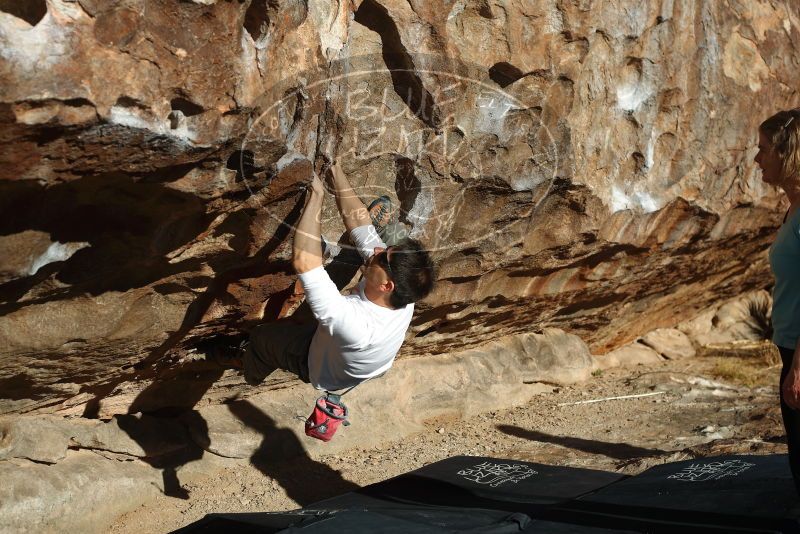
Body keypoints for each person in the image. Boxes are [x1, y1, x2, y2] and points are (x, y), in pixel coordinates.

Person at [215, 161, 435, 393]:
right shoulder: (406, 292)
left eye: (383, 257)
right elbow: (360, 223)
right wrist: (335, 169)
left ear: (386, 285)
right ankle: (361, 252)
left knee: (263, 338)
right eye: (385, 249)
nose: (378, 251)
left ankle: (246, 364)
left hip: (319, 366)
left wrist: (316, 194)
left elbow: (305, 262)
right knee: (369, 244)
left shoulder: (355, 325)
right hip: (357, 352)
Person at [755, 108, 800, 493]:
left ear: (789, 154)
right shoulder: (793, 208)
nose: (757, 159)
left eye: (764, 150)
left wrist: (799, 368)